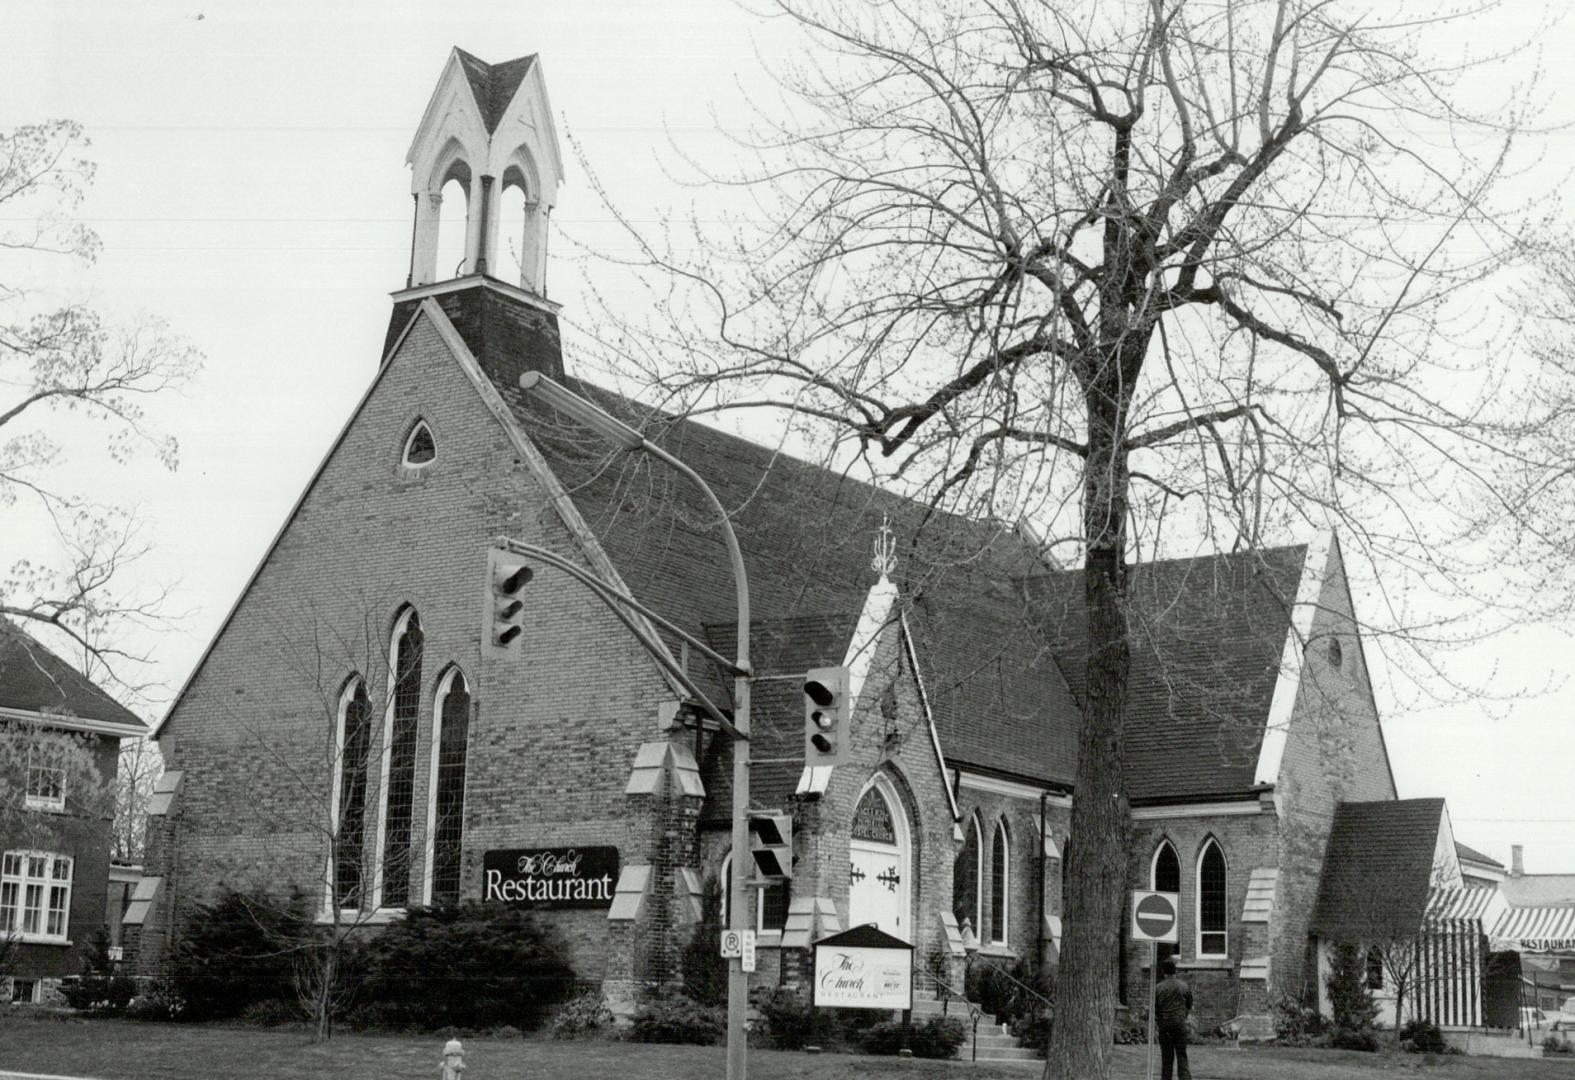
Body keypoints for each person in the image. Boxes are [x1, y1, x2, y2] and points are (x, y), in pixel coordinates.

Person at [1153, 957, 1193, 1080]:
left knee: (1166, 1058)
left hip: (1164, 1026)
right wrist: (1183, 1016)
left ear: (1164, 972)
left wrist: (1158, 1021)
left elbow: (1155, 1008)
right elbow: (1189, 1005)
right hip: (1179, 1025)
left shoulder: (1158, 988)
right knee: (1182, 1056)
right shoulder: (1183, 986)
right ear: (1175, 971)